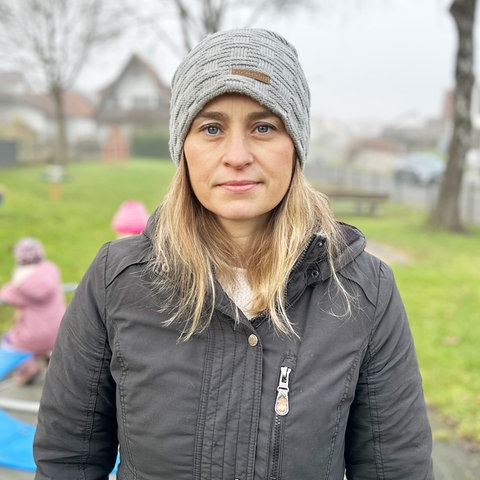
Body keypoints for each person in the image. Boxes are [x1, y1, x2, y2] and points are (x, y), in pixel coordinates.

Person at [33, 28, 434, 479]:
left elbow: (396, 468)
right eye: (211, 128)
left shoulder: (363, 292)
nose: (237, 155)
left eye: (264, 127)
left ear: (296, 146)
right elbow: (68, 460)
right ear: (183, 148)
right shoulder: (117, 281)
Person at [0, 238, 65, 384]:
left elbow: (7, 294)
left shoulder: (21, 283)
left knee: (9, 341)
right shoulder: (51, 269)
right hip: (59, 328)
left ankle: (28, 367)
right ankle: (51, 362)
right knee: (49, 343)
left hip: (32, 335)